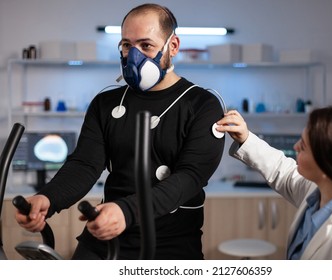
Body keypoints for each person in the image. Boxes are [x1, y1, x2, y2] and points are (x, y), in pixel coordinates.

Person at [15, 3, 225, 260]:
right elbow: (85, 164)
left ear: (173, 46)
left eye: (146, 45)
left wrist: (126, 211)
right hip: (105, 235)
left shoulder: (202, 104)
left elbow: (190, 177)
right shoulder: (106, 103)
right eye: (127, 45)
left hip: (171, 243)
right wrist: (48, 198)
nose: (133, 56)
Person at [216, 104, 332, 259]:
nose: (295, 146)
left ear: (328, 163)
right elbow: (282, 170)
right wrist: (246, 138)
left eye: (304, 146)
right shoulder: (319, 193)